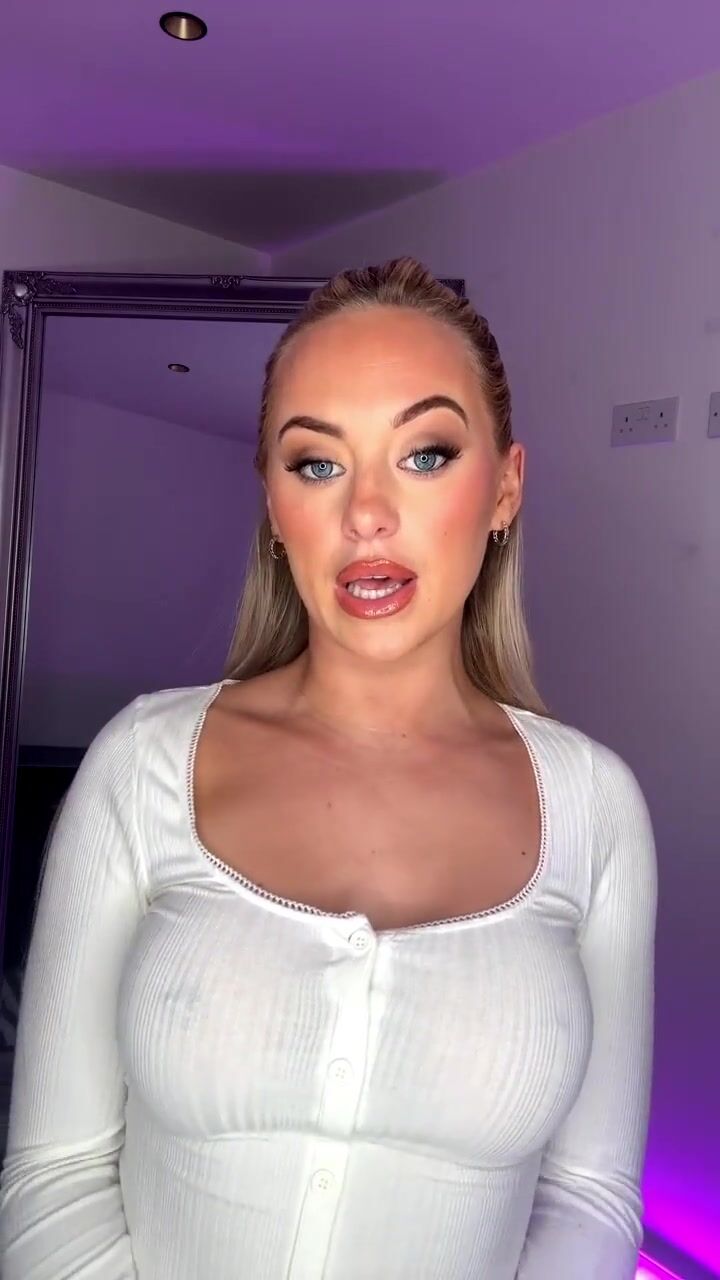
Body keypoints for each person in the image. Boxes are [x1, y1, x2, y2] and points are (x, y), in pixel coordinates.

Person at [0, 258, 657, 1279]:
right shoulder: (142, 765)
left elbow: (590, 1198)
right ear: (273, 504)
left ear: (505, 488)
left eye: (425, 454)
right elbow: (54, 1176)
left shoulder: (593, 807)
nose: (367, 514)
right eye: (317, 464)